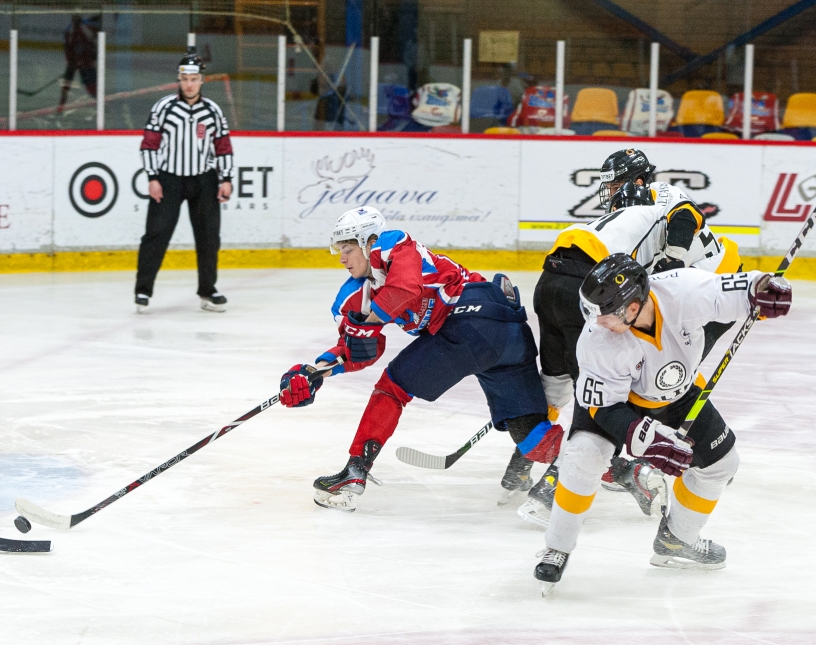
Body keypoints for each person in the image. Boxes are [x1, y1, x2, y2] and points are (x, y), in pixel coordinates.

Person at [277, 206, 562, 512]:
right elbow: (360, 350)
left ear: (368, 241)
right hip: (507, 335)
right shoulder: (358, 294)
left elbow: (405, 288)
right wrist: (314, 372)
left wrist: (369, 320)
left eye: (347, 249)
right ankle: (591, 457)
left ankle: (354, 472)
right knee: (530, 435)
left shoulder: (391, 244)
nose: (342, 259)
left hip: (470, 320)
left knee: (392, 388)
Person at [534, 254, 792, 591]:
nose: (598, 322)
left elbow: (731, 290)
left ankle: (676, 540)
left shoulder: (681, 291)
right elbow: (604, 408)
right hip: (616, 403)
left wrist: (762, 288)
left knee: (723, 464)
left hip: (676, 394)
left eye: (606, 314)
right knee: (585, 454)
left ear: (633, 305)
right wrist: (646, 439)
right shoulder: (597, 341)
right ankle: (557, 546)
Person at [521, 148, 743, 526]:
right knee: (635, 375)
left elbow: (688, 216)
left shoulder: (664, 195)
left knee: (662, 379)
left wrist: (672, 257)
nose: (611, 192)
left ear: (639, 180)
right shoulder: (633, 217)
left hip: (712, 293)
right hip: (683, 293)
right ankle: (646, 452)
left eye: (617, 184)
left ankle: (690, 450)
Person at [136, 50, 234, 313]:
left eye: (194, 78)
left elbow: (223, 147)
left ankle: (208, 290)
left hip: (204, 180)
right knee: (156, 234)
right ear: (178, 79)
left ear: (202, 80)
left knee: (208, 237)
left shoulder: (213, 111)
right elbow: (149, 145)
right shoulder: (163, 107)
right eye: (184, 78)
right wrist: (153, 177)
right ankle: (143, 291)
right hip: (168, 179)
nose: (189, 83)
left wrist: (226, 179)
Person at [57, 15, 100, 114]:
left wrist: (87, 60)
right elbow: (68, 49)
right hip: (75, 63)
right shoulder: (70, 33)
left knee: (91, 87)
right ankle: (61, 105)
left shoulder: (84, 32)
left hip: (85, 64)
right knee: (66, 85)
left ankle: (100, 103)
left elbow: (92, 48)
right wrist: (72, 62)